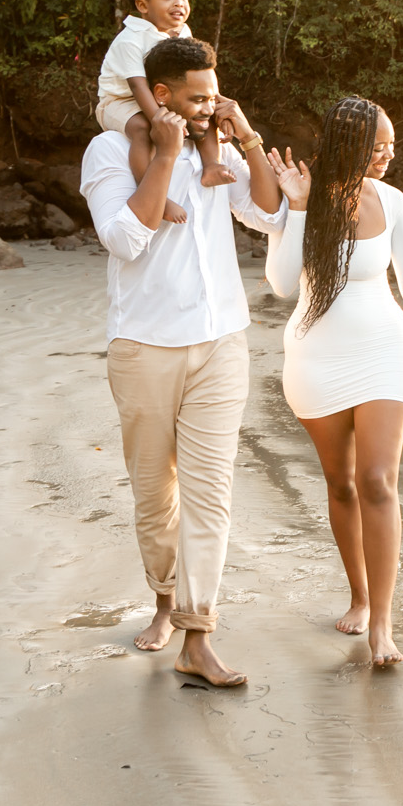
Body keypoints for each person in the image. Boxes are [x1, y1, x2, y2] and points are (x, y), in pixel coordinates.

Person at [80, 36, 283, 688]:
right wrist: (166, 155)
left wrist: (245, 136)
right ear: (159, 95)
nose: (209, 106)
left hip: (221, 343)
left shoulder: (214, 150)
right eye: (196, 97)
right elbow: (124, 239)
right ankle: (165, 598)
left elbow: (273, 213)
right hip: (143, 348)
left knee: (209, 494)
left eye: (215, 92)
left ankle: (198, 633)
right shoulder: (112, 150)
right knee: (153, 492)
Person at [262, 97, 403, 666]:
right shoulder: (302, 193)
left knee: (377, 479)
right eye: (377, 146)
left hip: (384, 351)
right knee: (341, 484)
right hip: (316, 356)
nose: (387, 156)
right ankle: (357, 595)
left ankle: (382, 622)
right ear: (347, 144)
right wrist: (298, 210)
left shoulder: (394, 201)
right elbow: (282, 285)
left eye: (392, 145)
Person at [93, 0, 234, 222]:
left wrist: (217, 106)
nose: (179, 3)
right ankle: (157, 195)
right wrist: (162, 122)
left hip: (163, 97)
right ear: (143, 5)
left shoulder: (183, 33)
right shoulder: (130, 40)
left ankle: (212, 164)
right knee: (143, 129)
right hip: (120, 102)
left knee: (205, 113)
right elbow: (138, 88)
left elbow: (198, 81)